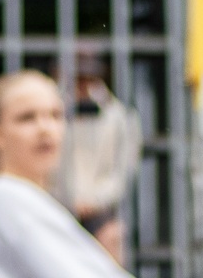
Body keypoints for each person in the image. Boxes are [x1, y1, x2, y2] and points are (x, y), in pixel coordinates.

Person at [0, 70, 129, 277]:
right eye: (26, 118)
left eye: (55, 115)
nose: (45, 128)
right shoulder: (7, 196)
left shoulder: (23, 197)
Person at [60, 51, 143, 263]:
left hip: (102, 213)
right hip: (58, 206)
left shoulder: (121, 117)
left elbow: (123, 170)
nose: (81, 84)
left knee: (112, 239)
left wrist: (94, 201)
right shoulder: (53, 112)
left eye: (87, 77)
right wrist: (68, 199)